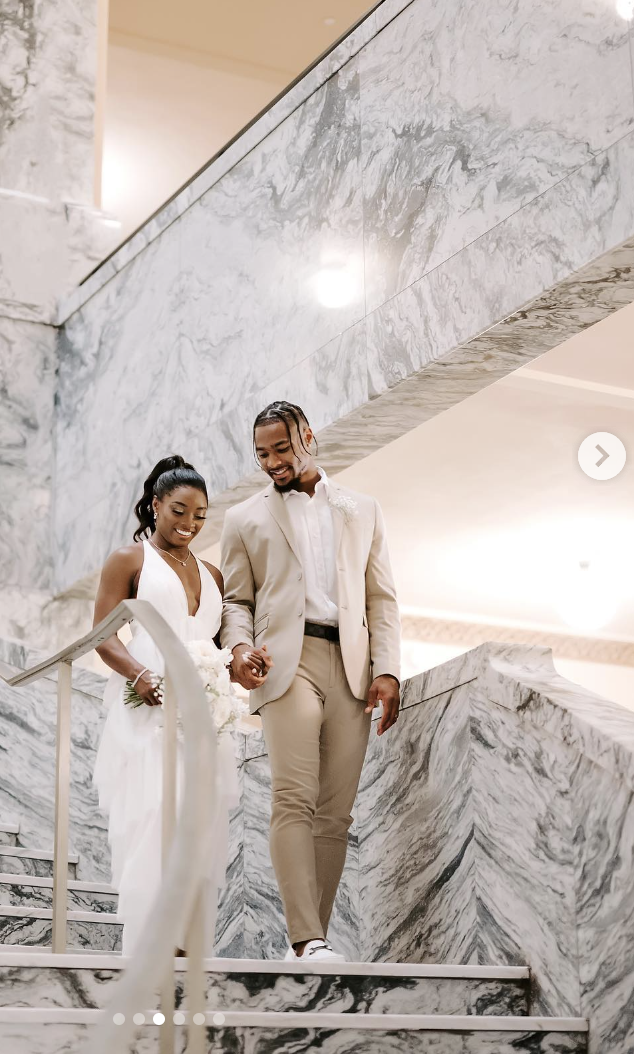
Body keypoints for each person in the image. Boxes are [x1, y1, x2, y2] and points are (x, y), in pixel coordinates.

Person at [220, 401, 401, 963]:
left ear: (308, 437)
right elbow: (236, 601)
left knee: (337, 811)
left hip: (350, 666)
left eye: (282, 448)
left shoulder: (362, 508)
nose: (273, 461)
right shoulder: (244, 518)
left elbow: (381, 597)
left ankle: (309, 945)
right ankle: (306, 937)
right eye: (262, 453)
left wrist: (389, 668)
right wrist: (239, 646)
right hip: (284, 664)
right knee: (293, 795)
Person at [92, 456, 265, 956]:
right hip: (151, 699)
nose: (189, 524)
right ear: (155, 506)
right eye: (178, 511)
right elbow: (103, 638)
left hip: (204, 710)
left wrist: (238, 669)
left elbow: (215, 645)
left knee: (198, 816)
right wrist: (140, 674)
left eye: (199, 515)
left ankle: (188, 941)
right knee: (154, 811)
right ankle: (151, 938)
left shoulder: (211, 572)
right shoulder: (129, 560)